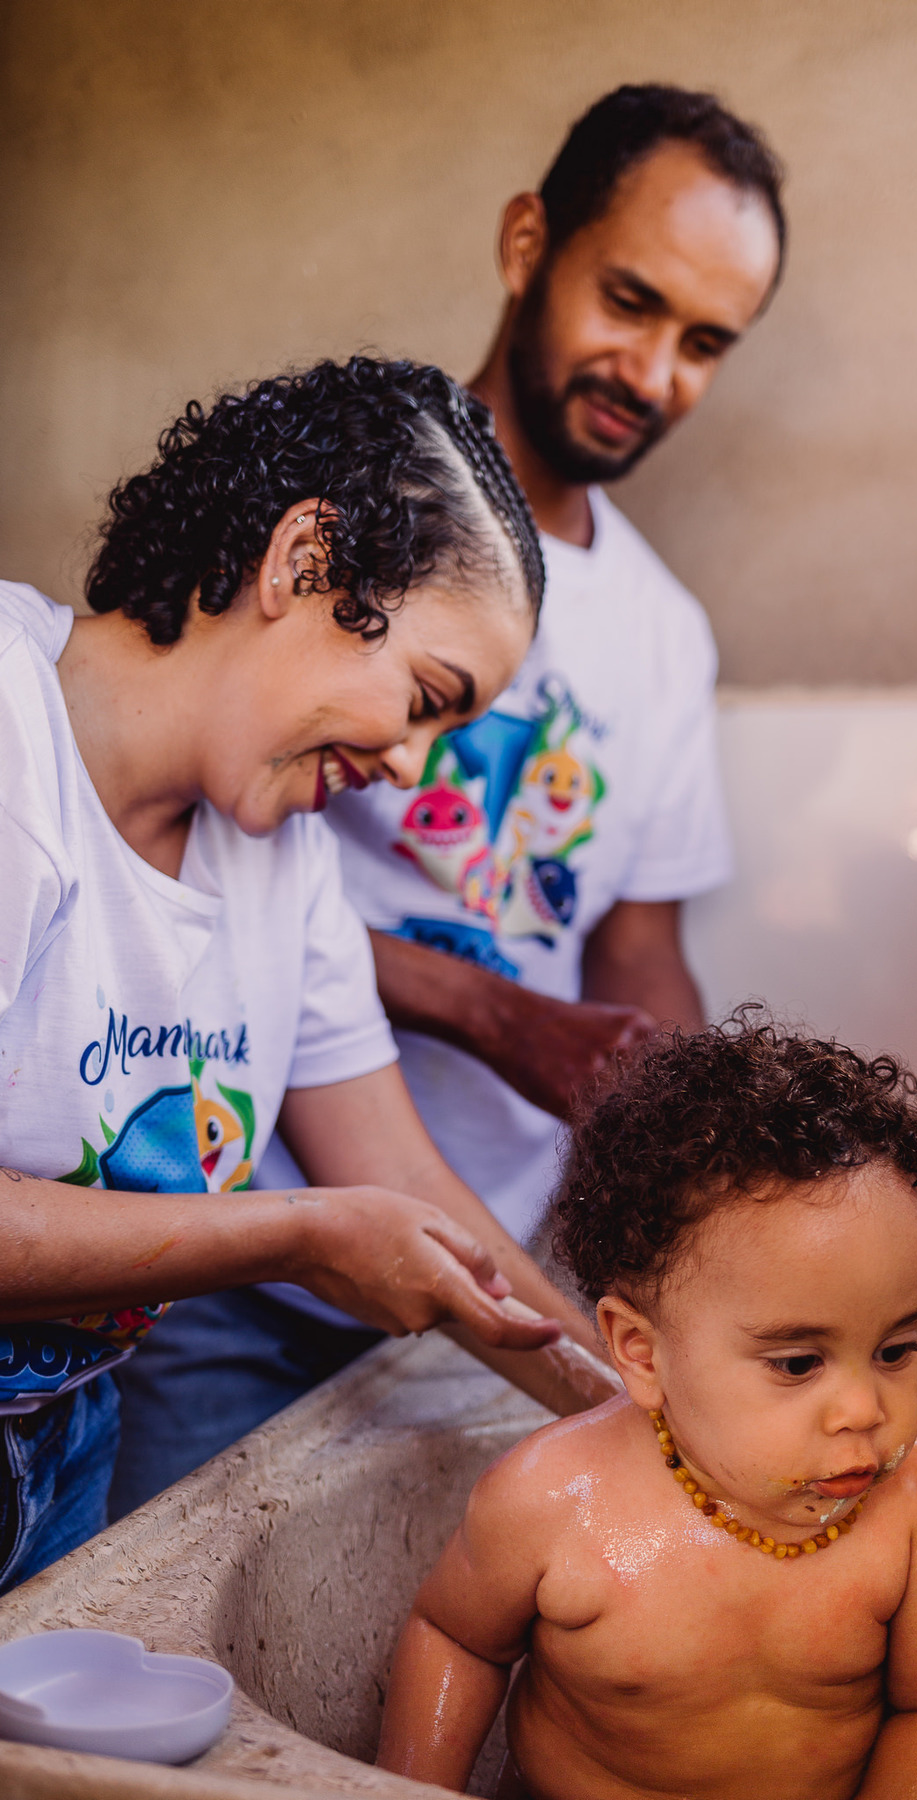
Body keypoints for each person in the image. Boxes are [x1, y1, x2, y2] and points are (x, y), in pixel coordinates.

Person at [110, 83, 787, 1508]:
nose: (654, 369)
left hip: (469, 1236)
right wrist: (491, 1011)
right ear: (528, 240)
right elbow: (160, 847)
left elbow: (636, 945)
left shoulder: (663, 633)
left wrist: (720, 1171)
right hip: (210, 1243)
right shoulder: (347, 497)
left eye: (705, 343)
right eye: (631, 299)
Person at [0, 355, 605, 1592]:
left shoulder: (285, 867)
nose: (411, 767)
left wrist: (635, 1416)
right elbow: (337, 1212)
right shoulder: (12, 743)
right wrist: (299, 1234)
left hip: (66, 1441)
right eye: (425, 699)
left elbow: (401, 1179)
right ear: (305, 561)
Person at [377, 1019, 917, 1800]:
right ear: (641, 1352)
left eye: (896, 1350)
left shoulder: (914, 1502)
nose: (864, 1410)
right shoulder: (550, 1500)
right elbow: (454, 1639)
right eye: (798, 1363)